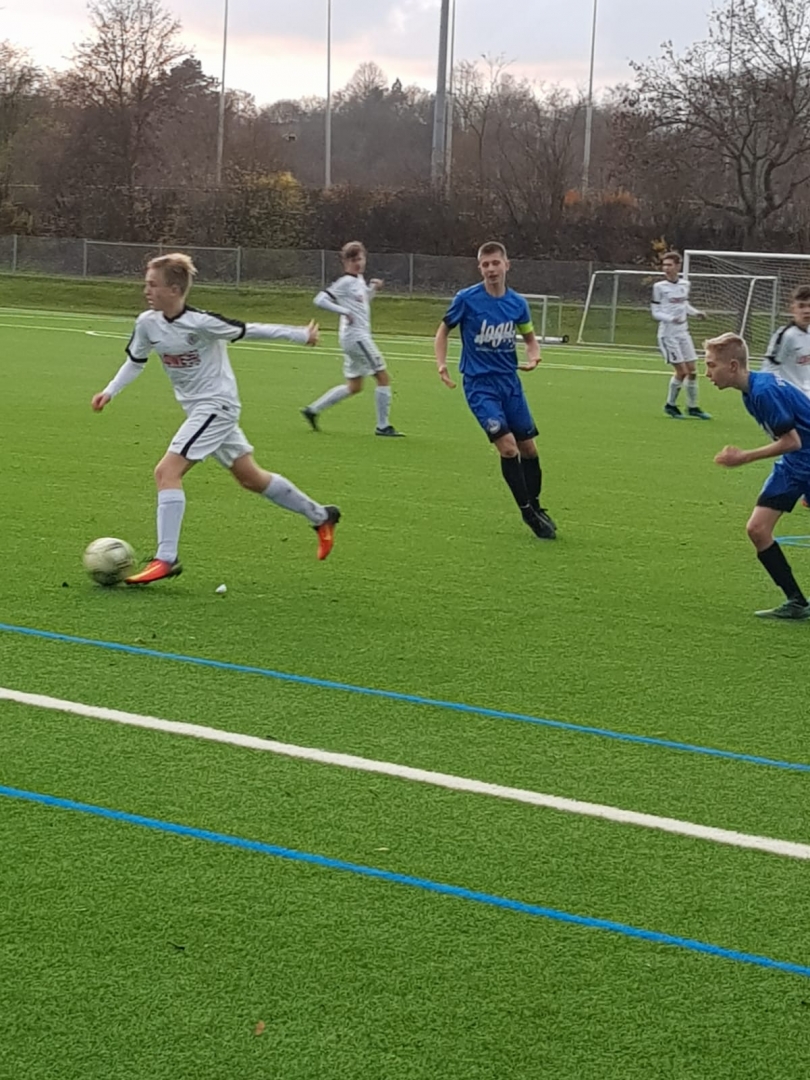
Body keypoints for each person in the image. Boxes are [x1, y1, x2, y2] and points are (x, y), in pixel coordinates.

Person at [91, 253, 341, 584]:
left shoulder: (202, 323)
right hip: (199, 410)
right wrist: (110, 391)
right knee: (251, 478)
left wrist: (300, 335)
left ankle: (166, 559)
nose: (146, 290)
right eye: (146, 284)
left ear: (174, 289)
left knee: (166, 472)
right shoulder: (147, 323)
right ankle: (322, 516)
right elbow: (135, 361)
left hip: (217, 406)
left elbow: (249, 330)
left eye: (153, 284)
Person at [433, 241, 555, 540]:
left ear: (506, 265)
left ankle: (536, 505)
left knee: (529, 448)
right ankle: (527, 513)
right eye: (485, 264)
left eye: (495, 263)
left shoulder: (517, 304)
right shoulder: (466, 299)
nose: (491, 269)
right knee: (508, 447)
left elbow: (529, 338)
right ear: (480, 268)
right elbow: (443, 330)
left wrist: (534, 355)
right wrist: (442, 364)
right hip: (479, 386)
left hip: (510, 383)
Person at [706, 331, 810, 620]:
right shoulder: (752, 391)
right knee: (758, 529)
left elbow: (792, 442)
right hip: (798, 462)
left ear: (733, 366)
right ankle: (797, 602)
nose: (707, 373)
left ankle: (796, 602)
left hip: (802, 460)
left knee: (758, 529)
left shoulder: (762, 392)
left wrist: (743, 457)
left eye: (712, 365)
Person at [301, 240, 404, 437]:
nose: (358, 263)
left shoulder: (358, 280)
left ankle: (312, 410)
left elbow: (362, 304)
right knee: (382, 377)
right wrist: (343, 311)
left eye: (360, 259)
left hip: (354, 337)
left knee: (354, 386)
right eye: (353, 260)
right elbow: (319, 300)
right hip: (356, 337)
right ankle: (383, 426)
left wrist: (373, 290)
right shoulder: (346, 282)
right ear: (345, 262)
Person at [652, 251, 711, 420]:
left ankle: (692, 407)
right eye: (664, 265)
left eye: (669, 265)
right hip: (668, 335)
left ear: (678, 266)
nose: (666, 268)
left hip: (683, 333)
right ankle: (670, 405)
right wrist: (671, 318)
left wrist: (696, 313)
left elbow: (684, 305)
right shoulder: (659, 287)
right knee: (682, 371)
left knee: (692, 371)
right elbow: (655, 312)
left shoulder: (685, 284)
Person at [761, 284, 810, 393]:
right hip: (790, 395)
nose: (806, 311)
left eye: (809, 306)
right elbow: (770, 366)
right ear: (793, 309)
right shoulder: (787, 335)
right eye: (801, 306)